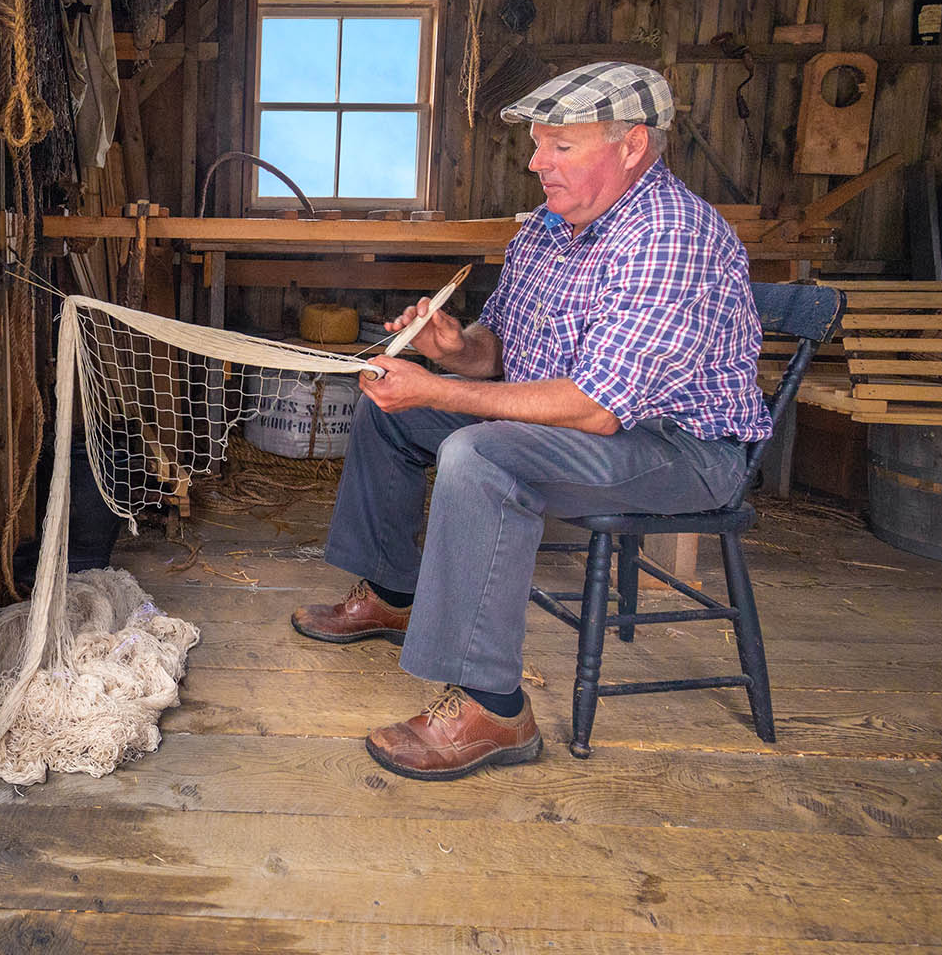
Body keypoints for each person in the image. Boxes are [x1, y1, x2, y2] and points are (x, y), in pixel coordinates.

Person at [291, 61, 770, 781]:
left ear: (633, 146)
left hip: (679, 449)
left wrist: (440, 390)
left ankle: (494, 708)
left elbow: (595, 408)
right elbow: (501, 353)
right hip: (587, 425)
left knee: (480, 456)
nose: (536, 163)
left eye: (561, 147)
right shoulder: (549, 229)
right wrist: (454, 350)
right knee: (389, 410)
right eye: (539, 145)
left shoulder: (670, 235)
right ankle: (393, 592)